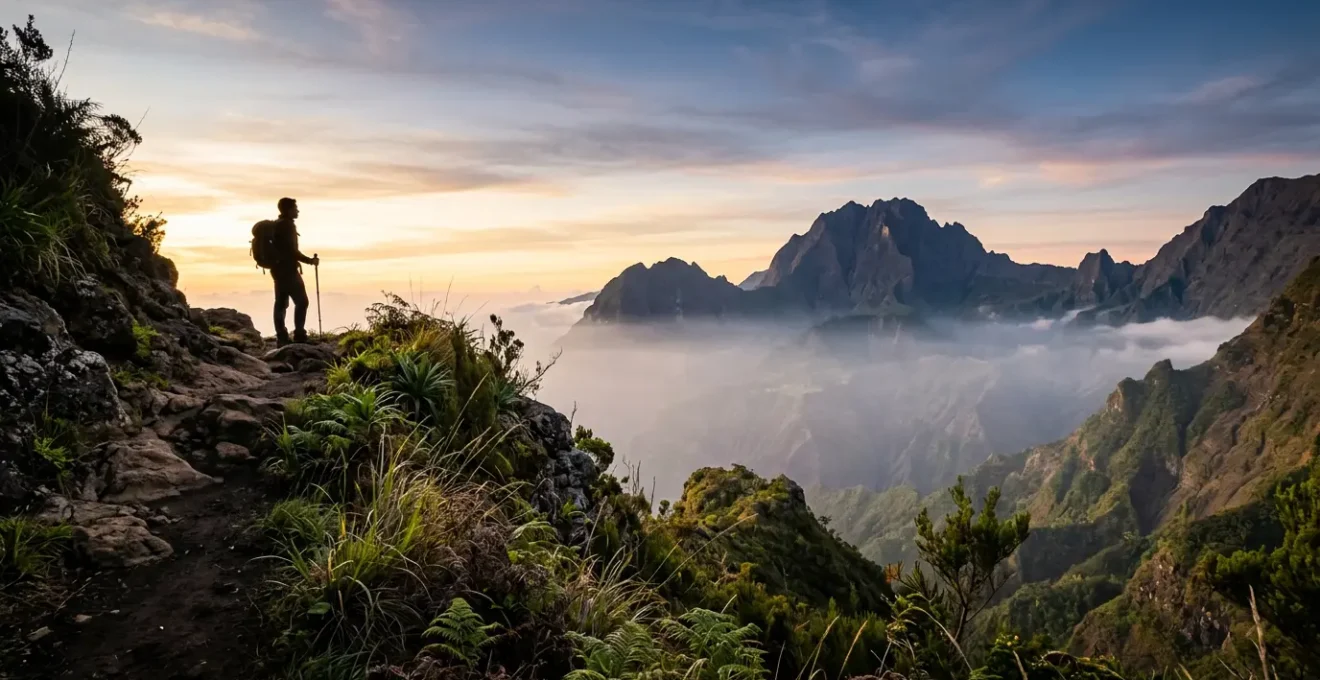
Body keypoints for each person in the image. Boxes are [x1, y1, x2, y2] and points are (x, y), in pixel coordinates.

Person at [268, 197, 319, 346]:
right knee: (302, 301)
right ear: (288, 210)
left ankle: (282, 337)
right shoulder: (288, 226)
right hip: (289, 270)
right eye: (295, 208)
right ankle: (299, 336)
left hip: (277, 270)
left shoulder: (277, 225)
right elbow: (292, 251)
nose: (297, 211)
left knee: (281, 304)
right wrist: (310, 261)